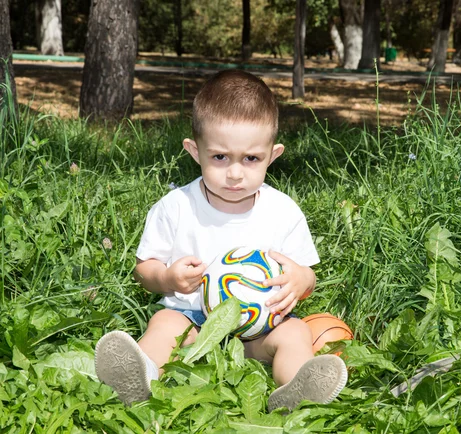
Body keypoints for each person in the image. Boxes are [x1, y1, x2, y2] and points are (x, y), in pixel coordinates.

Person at [94, 70, 347, 412]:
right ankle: (142, 378)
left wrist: (301, 280)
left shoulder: (283, 212)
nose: (235, 173)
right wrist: (167, 279)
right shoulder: (176, 207)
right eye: (219, 157)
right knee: (164, 325)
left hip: (260, 330)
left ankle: (295, 390)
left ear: (272, 156)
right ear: (194, 151)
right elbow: (144, 271)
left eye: (251, 159)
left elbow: (307, 274)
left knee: (296, 333)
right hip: (193, 322)